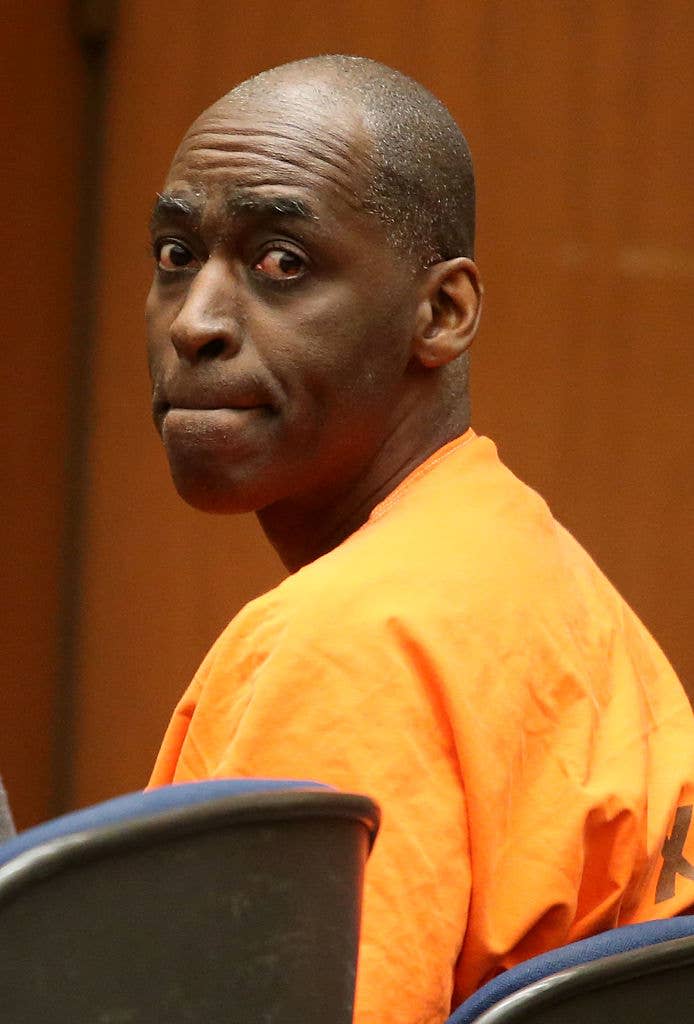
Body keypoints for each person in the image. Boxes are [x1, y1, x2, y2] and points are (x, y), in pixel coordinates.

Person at [146, 55, 694, 1024]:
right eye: (176, 255)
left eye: (282, 263)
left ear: (440, 313)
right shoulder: (518, 565)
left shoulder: (353, 644)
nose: (194, 323)